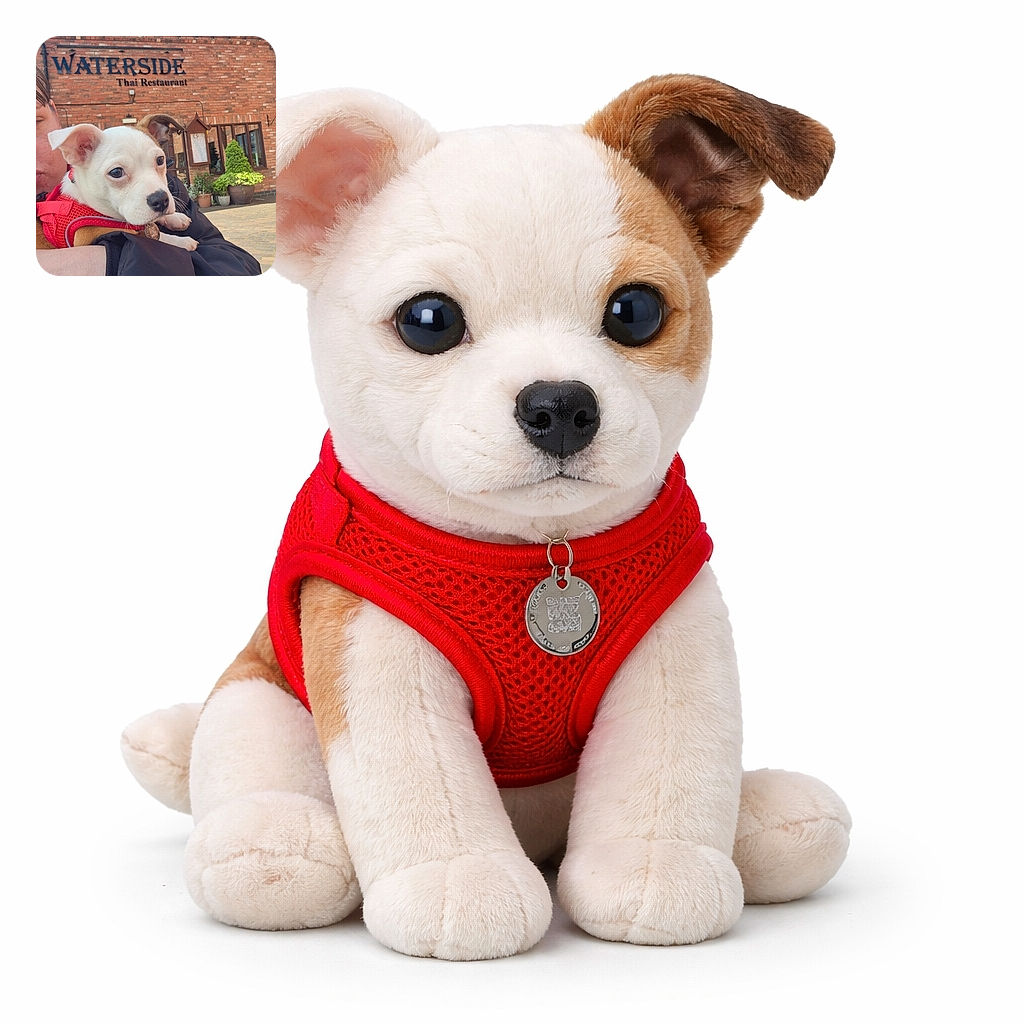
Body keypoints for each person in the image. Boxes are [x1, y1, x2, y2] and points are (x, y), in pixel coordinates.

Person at [36, 69, 262, 276]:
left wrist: (164, 219)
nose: (156, 189)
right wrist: (162, 239)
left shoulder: (169, 189)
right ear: (78, 150)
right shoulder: (77, 211)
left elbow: (237, 264)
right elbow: (97, 234)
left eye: (158, 162)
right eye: (117, 173)